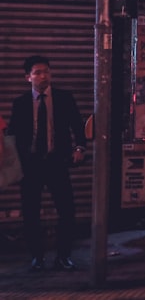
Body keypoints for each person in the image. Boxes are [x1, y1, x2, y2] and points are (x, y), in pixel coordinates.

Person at [10, 55, 86, 272]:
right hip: (30, 164)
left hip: (56, 162)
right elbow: (13, 133)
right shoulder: (21, 103)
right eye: (37, 72)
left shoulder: (64, 98)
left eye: (46, 71)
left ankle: (63, 256)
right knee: (31, 212)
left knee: (67, 210)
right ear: (28, 77)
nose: (43, 76)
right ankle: (37, 257)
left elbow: (77, 126)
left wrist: (79, 148)